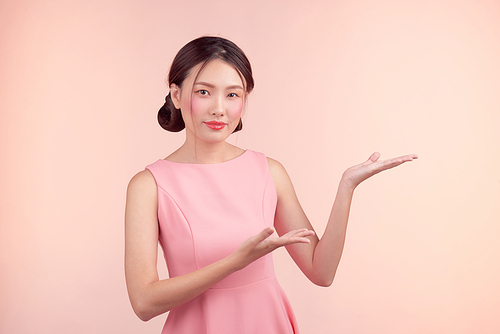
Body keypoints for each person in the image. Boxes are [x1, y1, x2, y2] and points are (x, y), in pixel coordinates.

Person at [124, 36, 417, 334]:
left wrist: (346, 188)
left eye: (232, 95)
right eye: (203, 92)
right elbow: (144, 303)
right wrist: (234, 262)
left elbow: (321, 271)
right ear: (175, 95)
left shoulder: (269, 171)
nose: (218, 109)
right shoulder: (148, 186)